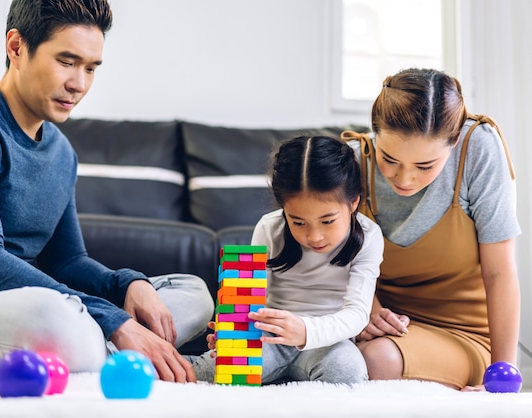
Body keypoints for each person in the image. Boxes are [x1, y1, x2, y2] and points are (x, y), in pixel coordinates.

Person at [0, 0, 214, 383]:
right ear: (16, 47)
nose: (79, 84)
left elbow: (68, 262)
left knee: (192, 292)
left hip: (39, 312)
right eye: (66, 61)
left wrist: (130, 283)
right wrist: (113, 319)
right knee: (60, 322)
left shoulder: (62, 151)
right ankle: (124, 354)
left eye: (90, 67)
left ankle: (106, 352)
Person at [341, 68, 520, 390]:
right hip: (377, 324)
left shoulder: (478, 148)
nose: (404, 179)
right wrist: (367, 307)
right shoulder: (357, 160)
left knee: (377, 360)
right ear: (374, 135)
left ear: (454, 144)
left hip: (462, 331)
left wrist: (502, 375)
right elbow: (328, 254)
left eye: (425, 166)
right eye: (389, 158)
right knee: (338, 360)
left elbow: (499, 273)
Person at [193, 135, 384, 384]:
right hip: (269, 338)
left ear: (353, 202)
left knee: (348, 372)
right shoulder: (269, 228)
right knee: (211, 370)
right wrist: (231, 332)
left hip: (329, 342)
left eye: (327, 221)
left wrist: (305, 331)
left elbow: (358, 314)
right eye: (298, 222)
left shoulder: (369, 236)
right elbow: (248, 300)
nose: (314, 235)